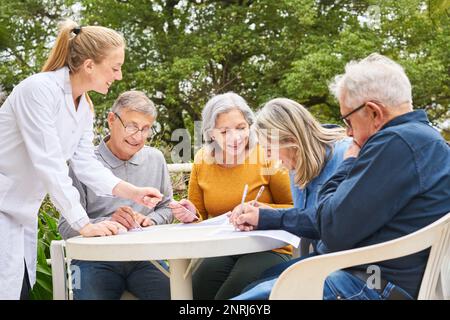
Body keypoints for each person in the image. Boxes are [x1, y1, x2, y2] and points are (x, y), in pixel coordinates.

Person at [232, 53, 450, 300]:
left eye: (348, 120)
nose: (347, 132)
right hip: (369, 278)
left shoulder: (395, 143)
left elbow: (332, 230)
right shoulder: (423, 140)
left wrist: (347, 163)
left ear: (373, 113)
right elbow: (334, 221)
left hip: (369, 284)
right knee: (253, 288)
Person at [0, 20, 162, 300]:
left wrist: (131, 192)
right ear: (89, 65)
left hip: (20, 216)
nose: (119, 76)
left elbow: (86, 164)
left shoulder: (84, 106)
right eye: (114, 67)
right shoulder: (38, 90)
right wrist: (83, 224)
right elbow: (49, 164)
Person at [169, 92, 293, 300]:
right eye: (224, 131)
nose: (235, 138)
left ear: (250, 126)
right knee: (195, 292)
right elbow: (198, 215)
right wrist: (191, 215)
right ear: (210, 134)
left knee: (228, 296)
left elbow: (295, 207)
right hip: (223, 247)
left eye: (241, 128)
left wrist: (264, 212)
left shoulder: (266, 154)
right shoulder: (202, 160)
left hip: (268, 247)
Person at [58, 90, 172, 299]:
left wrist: (150, 220)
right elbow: (65, 226)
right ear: (111, 120)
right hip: (91, 261)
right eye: (131, 126)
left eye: (146, 129)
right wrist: (109, 223)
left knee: (178, 294)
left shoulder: (155, 159)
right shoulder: (83, 162)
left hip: (145, 258)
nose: (138, 136)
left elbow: (167, 207)